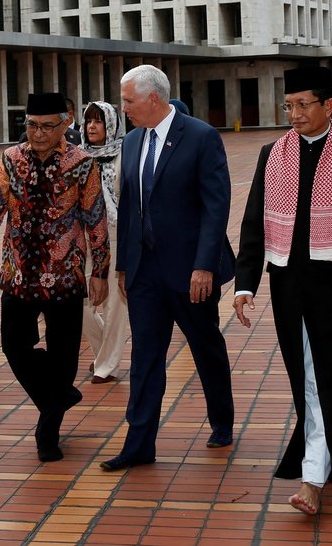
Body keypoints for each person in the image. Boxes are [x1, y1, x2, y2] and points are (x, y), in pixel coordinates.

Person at [234, 66, 332, 516]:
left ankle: (312, 478)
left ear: (328, 106)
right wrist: (245, 285)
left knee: (324, 381)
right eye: (289, 105)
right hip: (288, 287)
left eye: (303, 104)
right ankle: (329, 461)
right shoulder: (271, 154)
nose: (294, 114)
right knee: (308, 379)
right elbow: (253, 225)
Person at [100, 64, 235, 471]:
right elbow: (129, 210)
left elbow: (216, 206)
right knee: (145, 358)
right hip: (145, 274)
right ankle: (139, 444)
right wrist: (124, 266)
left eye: (128, 100)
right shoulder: (135, 140)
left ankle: (222, 422)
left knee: (205, 348)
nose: (124, 108)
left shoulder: (200, 136)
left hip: (191, 272)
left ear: (153, 98)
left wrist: (204, 265)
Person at [0, 91, 110, 463]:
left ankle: (48, 430)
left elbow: (94, 217)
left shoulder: (81, 163)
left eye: (47, 126)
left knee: (64, 355)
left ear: (65, 123)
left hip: (64, 273)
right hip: (18, 272)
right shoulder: (11, 159)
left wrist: (100, 271)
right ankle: (59, 396)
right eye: (32, 125)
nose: (37, 133)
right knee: (14, 346)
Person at [80, 101, 128, 383]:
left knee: (115, 304)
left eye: (98, 121)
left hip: (116, 234)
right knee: (81, 302)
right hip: (84, 237)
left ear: (110, 124)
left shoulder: (124, 154)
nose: (92, 127)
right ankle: (102, 355)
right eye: (88, 121)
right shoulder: (78, 157)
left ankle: (107, 365)